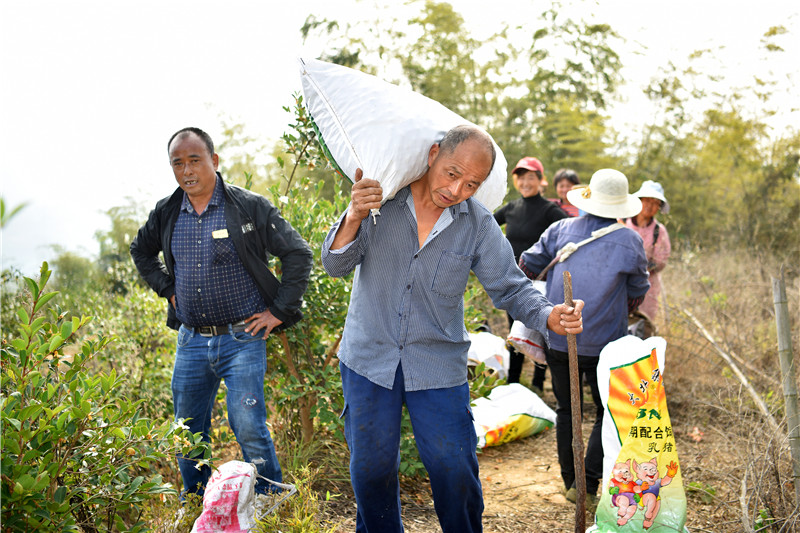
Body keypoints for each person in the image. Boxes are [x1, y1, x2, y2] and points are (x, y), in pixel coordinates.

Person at [321, 125, 584, 533]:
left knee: (454, 468)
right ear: (432, 155)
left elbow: (510, 285)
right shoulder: (380, 199)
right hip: (369, 359)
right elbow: (335, 265)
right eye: (452, 173)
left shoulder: (477, 223)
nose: (456, 188)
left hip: (437, 364)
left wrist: (549, 315)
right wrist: (354, 214)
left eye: (471, 183)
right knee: (371, 470)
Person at [130, 127, 313, 501]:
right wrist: (167, 289)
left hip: (242, 338)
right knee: (187, 429)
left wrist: (279, 311)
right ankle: (197, 501)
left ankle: (269, 499)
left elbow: (298, 253)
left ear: (214, 160)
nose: (186, 170)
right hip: (192, 340)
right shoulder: (167, 212)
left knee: (247, 425)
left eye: (194, 160)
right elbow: (140, 251)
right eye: (177, 163)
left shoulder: (249, 206)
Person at [519, 168, 649, 506]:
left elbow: (527, 265)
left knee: (567, 409)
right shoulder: (630, 240)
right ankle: (587, 484)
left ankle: (570, 482)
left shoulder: (560, 228)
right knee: (607, 410)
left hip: (560, 337)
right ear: (621, 204)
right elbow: (638, 290)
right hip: (608, 342)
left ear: (588, 198)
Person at [494, 157, 568, 390]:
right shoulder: (513, 207)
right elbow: (487, 225)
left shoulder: (549, 210)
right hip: (512, 280)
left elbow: (570, 230)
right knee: (514, 331)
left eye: (530, 177)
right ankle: (513, 383)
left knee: (539, 330)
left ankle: (538, 383)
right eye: (521, 178)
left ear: (540, 181)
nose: (525, 182)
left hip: (540, 283)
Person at [626, 180, 671, 321]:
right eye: (646, 201)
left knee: (643, 324)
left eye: (655, 202)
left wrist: (641, 268)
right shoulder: (621, 222)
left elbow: (661, 260)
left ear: (659, 207)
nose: (649, 206)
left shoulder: (659, 231)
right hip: (621, 282)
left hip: (647, 286)